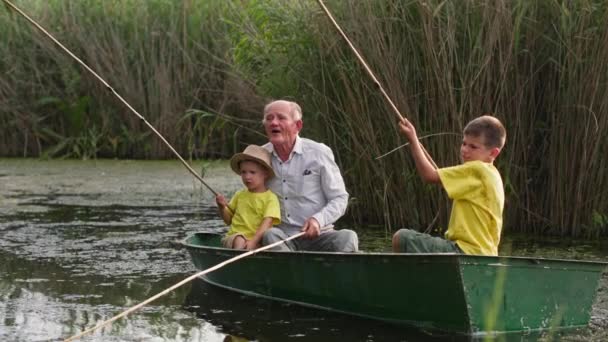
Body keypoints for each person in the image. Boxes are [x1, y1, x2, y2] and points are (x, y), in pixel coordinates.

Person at [392, 115, 506, 256]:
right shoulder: (494, 176)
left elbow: (428, 175)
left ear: (493, 153)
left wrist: (413, 140)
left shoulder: (477, 169)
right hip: (486, 254)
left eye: (473, 146)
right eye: (464, 143)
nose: (465, 150)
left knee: (402, 238)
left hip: (464, 251)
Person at [260, 100, 358, 252]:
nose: (274, 123)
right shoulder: (259, 156)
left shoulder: (319, 153)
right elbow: (251, 197)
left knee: (348, 237)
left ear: (297, 126)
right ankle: (289, 273)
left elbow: (339, 198)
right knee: (270, 234)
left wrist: (318, 220)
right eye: (269, 118)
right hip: (281, 238)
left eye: (281, 118)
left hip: (320, 235)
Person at [216, 145, 281, 250]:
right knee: (240, 240)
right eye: (243, 172)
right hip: (234, 239)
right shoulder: (239, 195)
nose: (247, 177)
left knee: (265, 243)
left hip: (257, 241)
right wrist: (222, 207)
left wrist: (253, 242)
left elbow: (267, 223)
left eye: (252, 172)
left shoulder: (271, 198)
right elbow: (228, 220)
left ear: (265, 174)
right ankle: (239, 262)